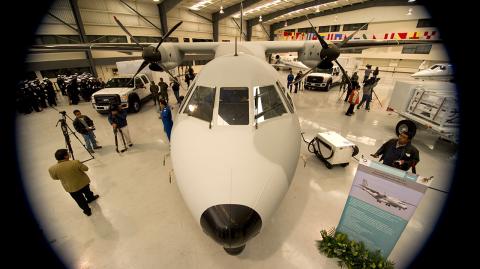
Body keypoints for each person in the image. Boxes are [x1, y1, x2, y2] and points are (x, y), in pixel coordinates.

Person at [48, 149, 99, 216]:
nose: (69, 153)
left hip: (71, 187)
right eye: (68, 153)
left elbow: (55, 178)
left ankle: (87, 211)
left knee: (79, 200)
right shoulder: (75, 162)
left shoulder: (52, 169)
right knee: (88, 192)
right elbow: (86, 169)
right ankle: (90, 198)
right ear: (65, 156)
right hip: (83, 183)